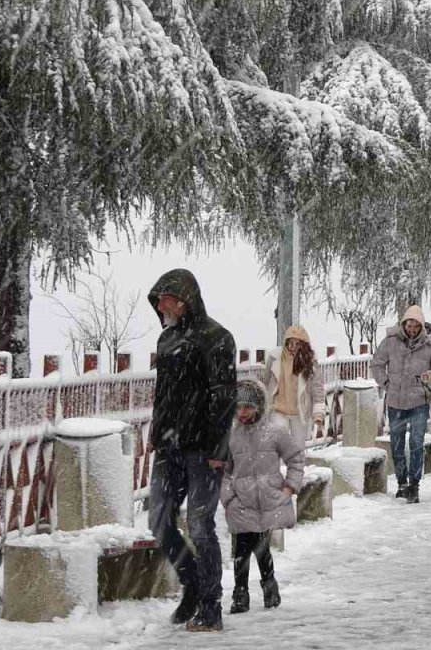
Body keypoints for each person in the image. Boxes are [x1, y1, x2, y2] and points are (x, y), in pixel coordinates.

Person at [146, 269, 236, 632]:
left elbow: (224, 395)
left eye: (163, 300)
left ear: (183, 299)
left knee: (200, 526)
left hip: (203, 449)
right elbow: (162, 394)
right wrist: (156, 433)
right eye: (156, 302)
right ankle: (192, 586)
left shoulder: (216, 337)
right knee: (158, 520)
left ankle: (211, 606)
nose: (159, 307)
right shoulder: (166, 340)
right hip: (169, 446)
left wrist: (218, 447)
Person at [221, 379, 305, 614]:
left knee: (261, 547)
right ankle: (240, 595)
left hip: (266, 502)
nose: (242, 412)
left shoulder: (275, 433)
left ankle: (269, 587)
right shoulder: (231, 436)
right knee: (240, 550)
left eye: (247, 407)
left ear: (258, 406)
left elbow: (295, 459)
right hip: (240, 503)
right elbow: (224, 472)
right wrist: (228, 499)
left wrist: (289, 488)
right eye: (238, 407)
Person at [370, 305, 431, 503]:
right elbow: (377, 363)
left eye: (416, 326)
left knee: (416, 443)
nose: (412, 329)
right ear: (403, 324)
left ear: (421, 326)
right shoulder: (391, 341)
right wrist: (386, 383)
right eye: (409, 325)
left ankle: (414, 485)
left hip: (419, 403)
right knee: (396, 444)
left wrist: (428, 388)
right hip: (395, 402)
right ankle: (401, 483)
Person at [265, 325, 325, 445]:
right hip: (279, 409)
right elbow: (266, 382)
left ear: (304, 345)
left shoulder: (310, 362)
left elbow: (317, 388)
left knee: (298, 448)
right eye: (290, 343)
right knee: (279, 444)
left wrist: (318, 413)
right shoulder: (275, 358)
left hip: (300, 411)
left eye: (297, 344)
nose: (292, 347)